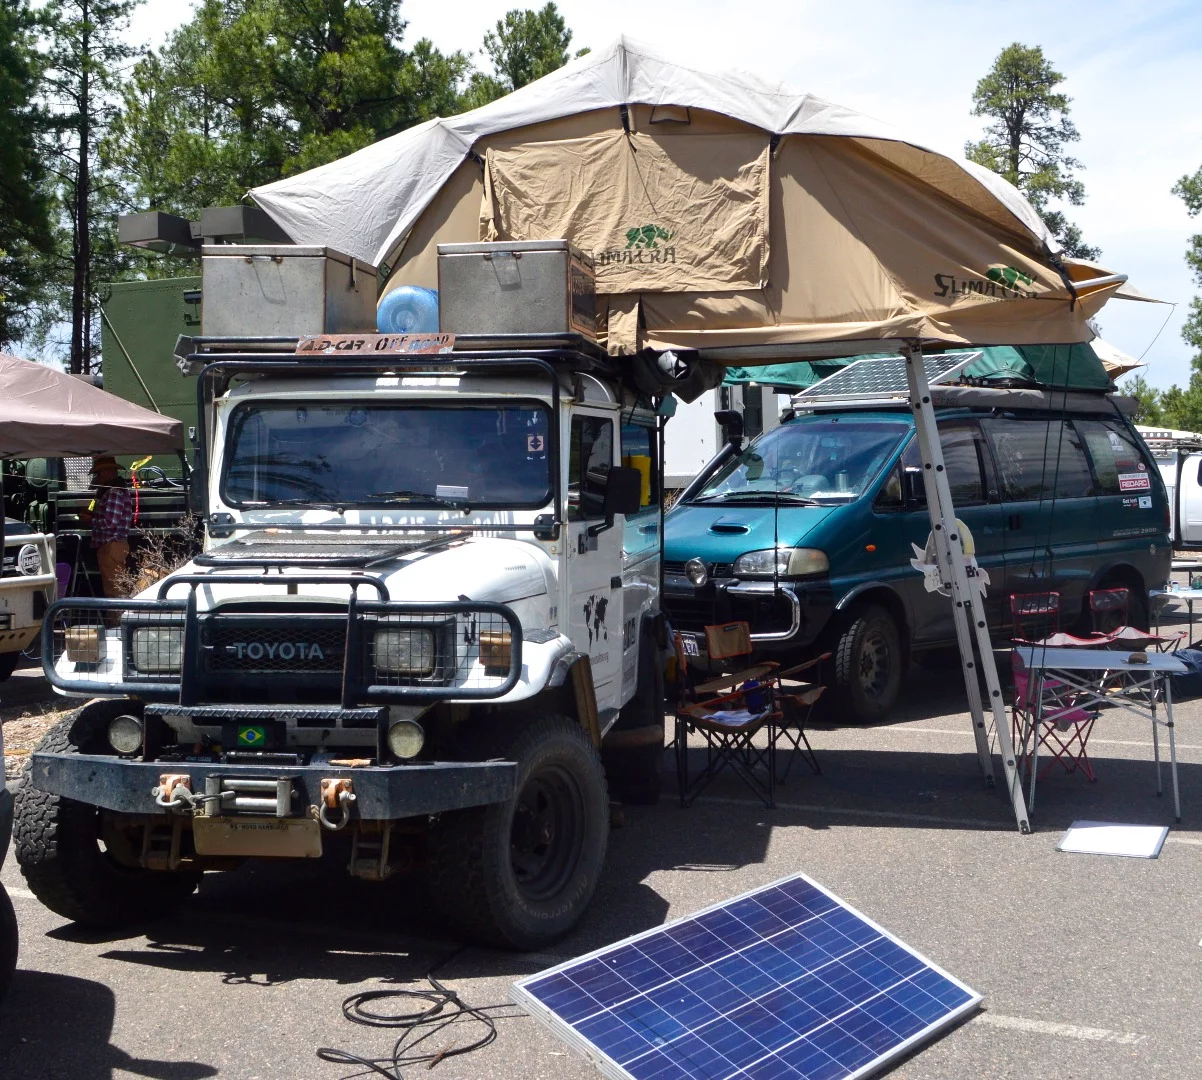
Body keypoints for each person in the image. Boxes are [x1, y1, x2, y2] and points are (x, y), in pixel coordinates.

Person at [81, 456, 133, 597]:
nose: (97, 478)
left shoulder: (114, 493)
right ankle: (118, 618)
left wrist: (90, 521)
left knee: (114, 590)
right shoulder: (112, 492)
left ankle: (117, 619)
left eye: (97, 474)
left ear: (104, 473)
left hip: (112, 546)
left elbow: (110, 523)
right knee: (115, 587)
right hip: (113, 546)